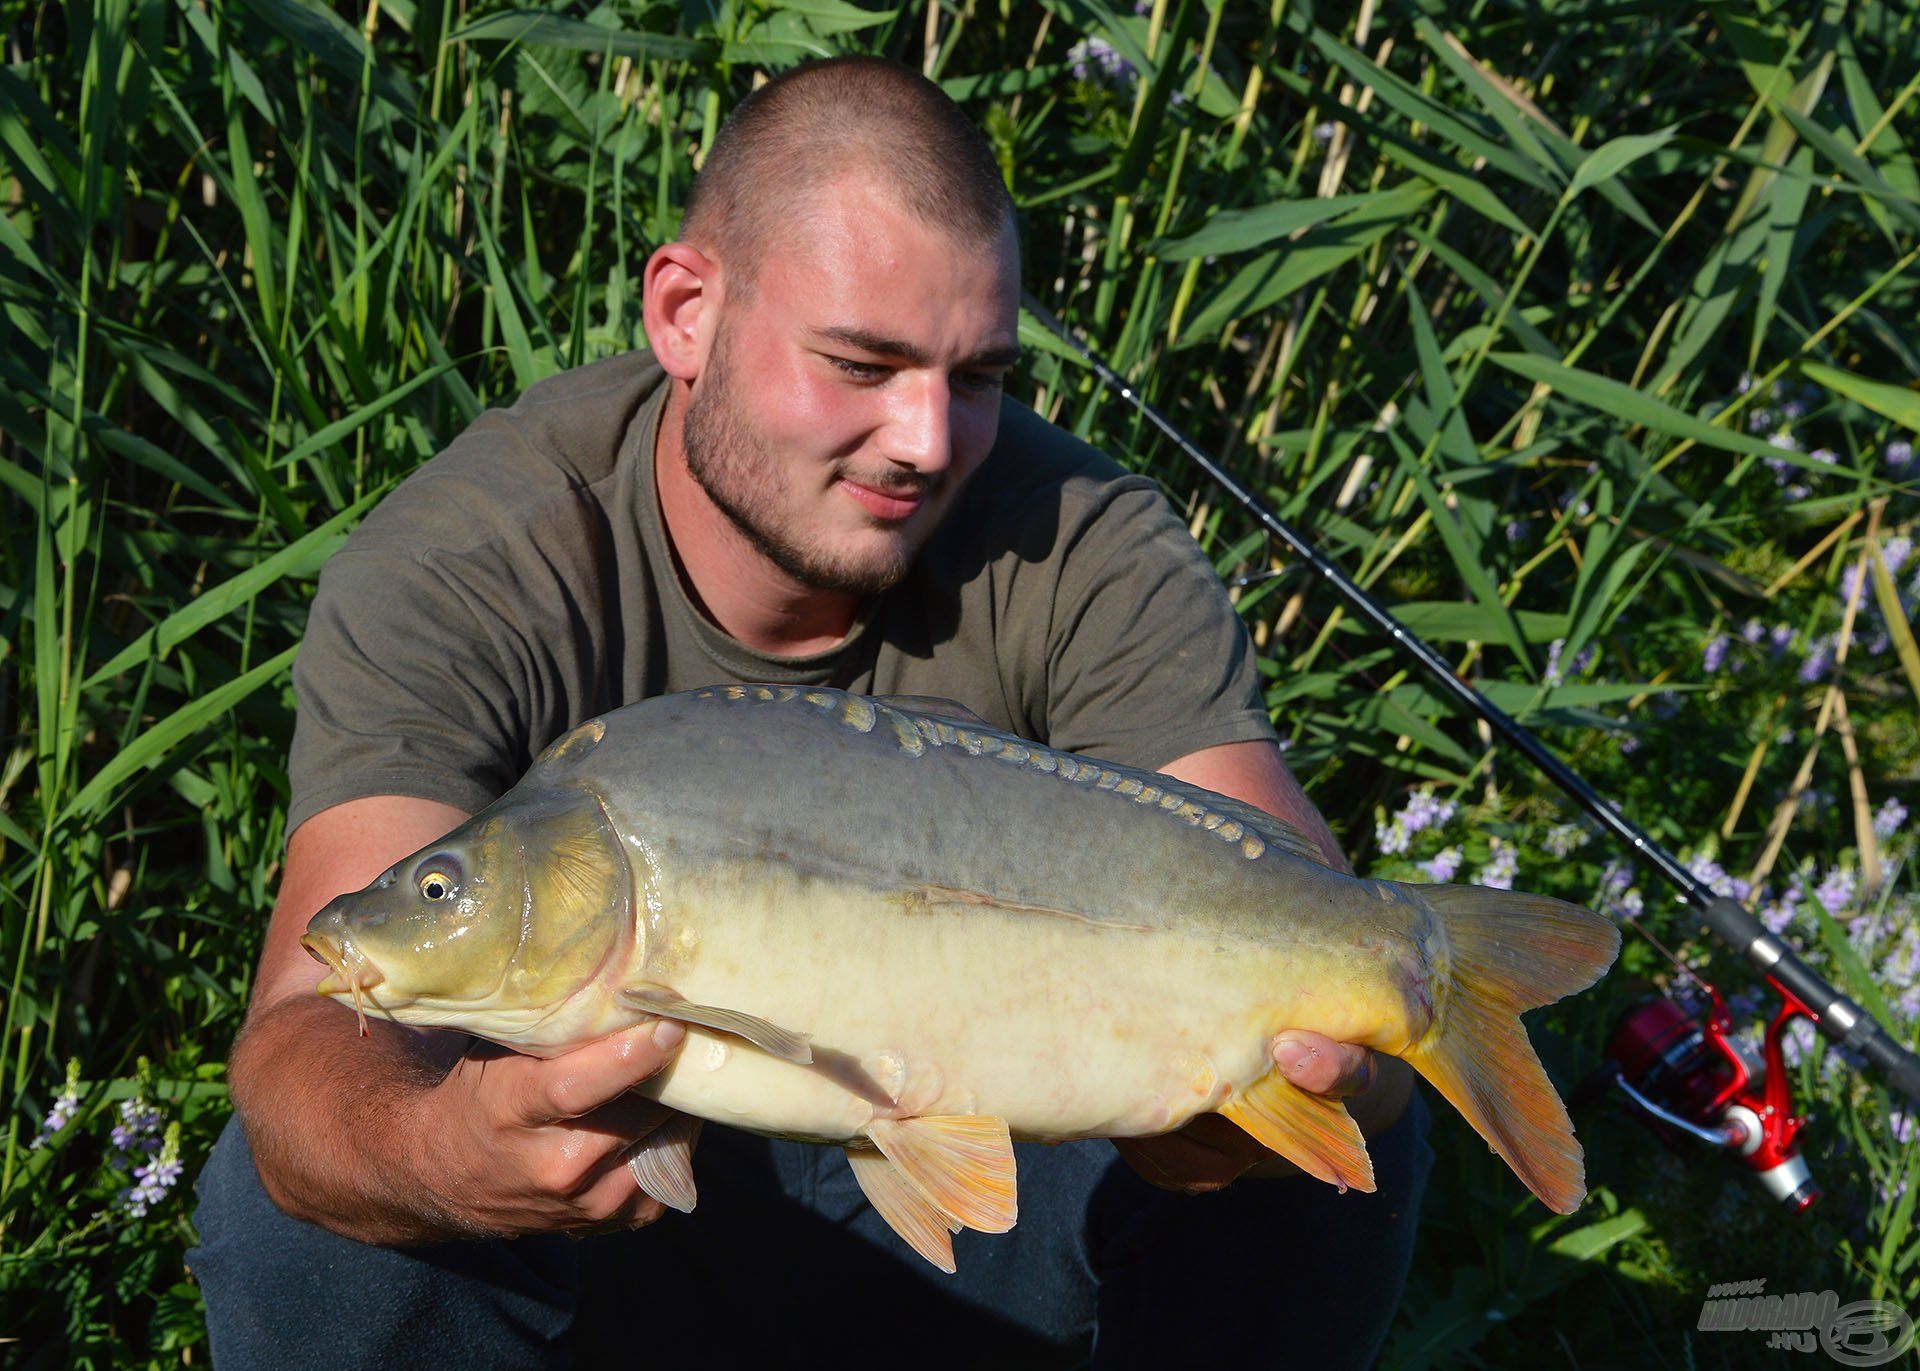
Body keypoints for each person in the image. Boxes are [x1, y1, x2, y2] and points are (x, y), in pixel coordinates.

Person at [191, 55, 1431, 1368]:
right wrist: (449, 1156)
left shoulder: (1085, 541)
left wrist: (1265, 1101)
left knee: (1350, 1148)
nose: (927, 440)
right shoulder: (469, 559)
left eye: (977, 376)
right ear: (685, 313)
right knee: (313, 1210)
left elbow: (1319, 925)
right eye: (861, 362)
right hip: (594, 1217)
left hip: (974, 1175)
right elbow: (299, 1044)